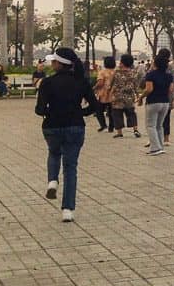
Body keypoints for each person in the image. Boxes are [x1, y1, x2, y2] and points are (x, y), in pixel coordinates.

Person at [35, 48, 99, 222]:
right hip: (75, 126)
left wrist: (50, 111)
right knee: (70, 167)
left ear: (58, 64)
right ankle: (68, 210)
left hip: (52, 126)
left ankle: (52, 181)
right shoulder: (81, 82)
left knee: (54, 153)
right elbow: (95, 105)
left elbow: (39, 109)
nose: (51, 64)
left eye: (53, 61)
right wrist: (81, 112)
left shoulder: (47, 83)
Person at [138, 52, 174, 155]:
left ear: (155, 63)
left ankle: (155, 148)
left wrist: (141, 97)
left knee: (150, 126)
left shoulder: (151, 75)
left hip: (153, 102)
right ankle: (160, 146)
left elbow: (149, 89)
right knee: (159, 126)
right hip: (165, 102)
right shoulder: (169, 76)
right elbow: (171, 90)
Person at [109, 55, 140, 138]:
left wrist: (109, 92)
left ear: (122, 63)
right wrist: (138, 96)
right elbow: (136, 85)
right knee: (131, 114)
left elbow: (111, 83)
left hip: (117, 97)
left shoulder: (117, 72)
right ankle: (135, 130)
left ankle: (119, 132)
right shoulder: (133, 72)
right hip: (129, 98)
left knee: (117, 114)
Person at [94, 57, 116, 132]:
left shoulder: (102, 72)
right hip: (113, 94)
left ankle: (103, 125)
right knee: (111, 112)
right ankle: (111, 127)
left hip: (103, 94)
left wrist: (94, 88)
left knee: (98, 110)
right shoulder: (116, 72)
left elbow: (100, 83)